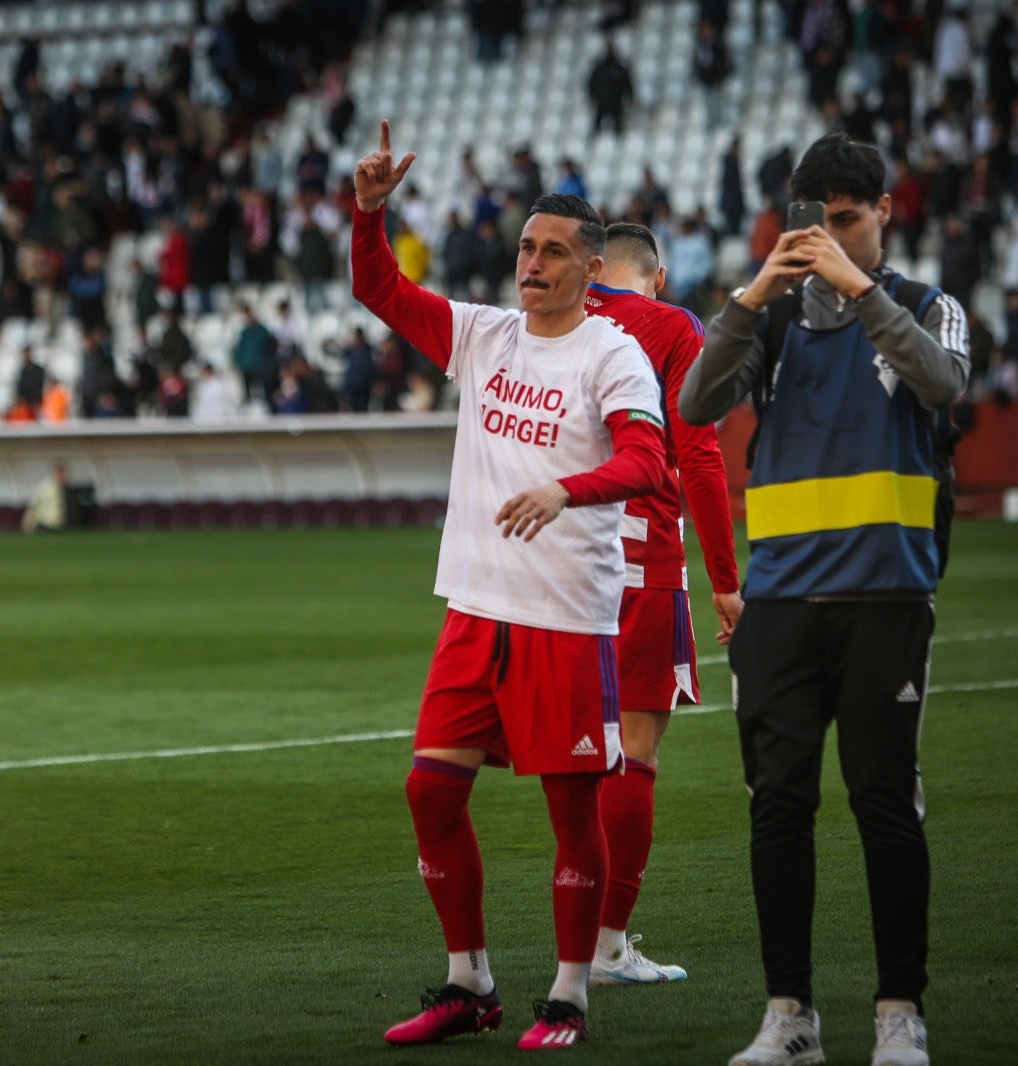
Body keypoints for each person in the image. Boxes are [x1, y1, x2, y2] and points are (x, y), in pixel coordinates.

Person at [352, 120, 667, 1051]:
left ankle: (569, 994)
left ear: (590, 269)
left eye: (554, 252)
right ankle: (470, 984)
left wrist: (565, 489)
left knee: (572, 812)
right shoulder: (483, 336)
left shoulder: (612, 353)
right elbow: (379, 288)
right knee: (429, 793)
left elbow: (648, 462)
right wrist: (369, 212)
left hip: (565, 618)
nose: (531, 263)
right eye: (527, 247)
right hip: (475, 612)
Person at [679, 132, 969, 1066]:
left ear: (885, 212)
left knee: (884, 803)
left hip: (887, 598)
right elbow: (692, 404)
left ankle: (898, 1015)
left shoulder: (930, 306)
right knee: (777, 808)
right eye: (813, 222)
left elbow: (941, 381)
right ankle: (789, 1017)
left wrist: (857, 285)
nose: (828, 235)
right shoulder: (769, 321)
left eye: (847, 218)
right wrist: (753, 293)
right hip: (781, 606)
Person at [582, 223, 742, 986]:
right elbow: (701, 455)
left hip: (555, 565)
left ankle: (535, 957)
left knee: (574, 759)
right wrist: (726, 578)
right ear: (659, 274)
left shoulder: (553, 317)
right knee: (635, 754)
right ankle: (606, 945)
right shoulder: (671, 326)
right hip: (640, 565)